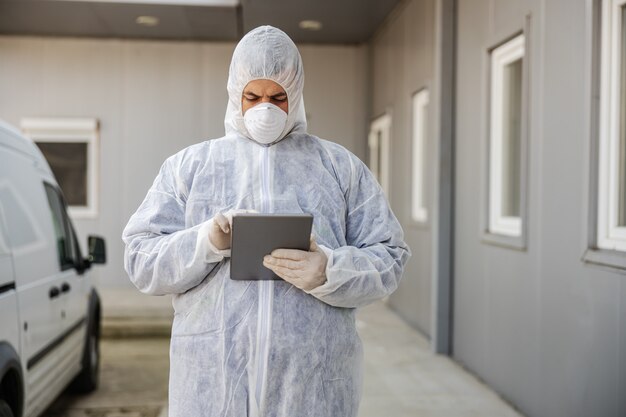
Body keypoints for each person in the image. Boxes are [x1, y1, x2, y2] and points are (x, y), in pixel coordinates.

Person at [122, 25, 410, 417]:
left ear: (296, 95)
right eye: (253, 96)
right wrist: (206, 242)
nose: (265, 109)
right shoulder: (189, 168)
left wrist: (330, 270)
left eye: (278, 97)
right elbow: (140, 257)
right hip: (212, 392)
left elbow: (390, 255)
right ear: (234, 94)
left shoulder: (339, 168)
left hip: (312, 392)